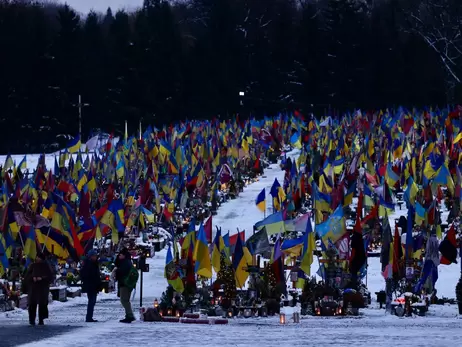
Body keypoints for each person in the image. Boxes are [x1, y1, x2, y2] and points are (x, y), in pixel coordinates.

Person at [24, 253, 54, 326]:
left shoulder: (46, 266)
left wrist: (42, 278)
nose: (37, 258)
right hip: (33, 288)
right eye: (37, 257)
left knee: (42, 304)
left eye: (38, 257)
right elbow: (27, 276)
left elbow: (50, 277)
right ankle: (31, 320)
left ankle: (41, 319)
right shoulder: (32, 266)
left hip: (42, 288)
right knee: (32, 304)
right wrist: (32, 278)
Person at [80, 249, 102, 323]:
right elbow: (86, 275)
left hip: (93, 285)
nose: (96, 257)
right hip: (91, 285)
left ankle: (89, 317)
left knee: (92, 301)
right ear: (91, 256)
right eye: (94, 256)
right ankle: (89, 317)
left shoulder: (93, 263)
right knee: (91, 301)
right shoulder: (89, 264)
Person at [115, 248, 135, 323]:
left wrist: (117, 271)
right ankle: (128, 315)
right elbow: (116, 262)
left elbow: (122, 272)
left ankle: (129, 315)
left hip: (125, 284)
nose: (119, 256)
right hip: (125, 283)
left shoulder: (126, 263)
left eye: (120, 255)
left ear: (124, 255)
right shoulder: (125, 262)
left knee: (124, 300)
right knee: (125, 300)